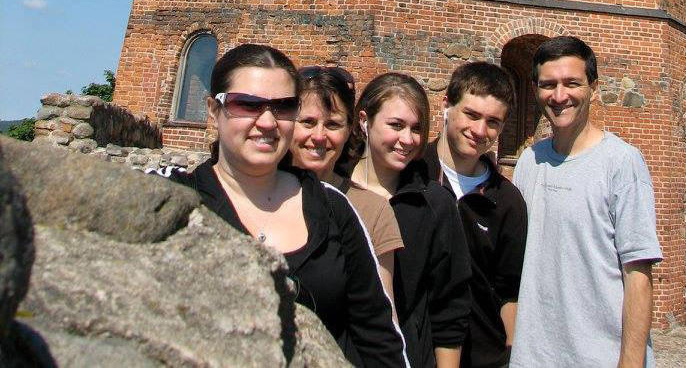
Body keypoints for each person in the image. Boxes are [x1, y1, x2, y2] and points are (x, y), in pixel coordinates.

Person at [148, 45, 409, 368]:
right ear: (214, 110)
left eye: (284, 106)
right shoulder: (173, 198)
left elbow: (378, 336)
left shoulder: (333, 207)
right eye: (247, 104)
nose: (268, 122)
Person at [510, 37, 663, 367]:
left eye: (572, 83)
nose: (559, 96)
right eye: (548, 84)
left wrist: (631, 362)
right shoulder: (529, 161)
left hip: (600, 356)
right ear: (535, 90)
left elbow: (638, 273)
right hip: (534, 357)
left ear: (593, 88)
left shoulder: (621, 163)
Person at [339, 72, 471, 368]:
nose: (408, 140)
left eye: (416, 128)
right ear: (364, 121)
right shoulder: (332, 191)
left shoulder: (434, 203)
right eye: (396, 125)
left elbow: (450, 304)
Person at [421, 62, 527, 368]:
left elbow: (510, 290)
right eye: (471, 114)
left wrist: (509, 355)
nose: (480, 131)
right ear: (446, 106)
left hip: (481, 356)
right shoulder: (413, 176)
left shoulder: (506, 201)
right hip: (414, 351)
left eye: (493, 122)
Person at [289, 65, 404, 304]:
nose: (319, 136)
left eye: (332, 124)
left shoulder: (372, 211)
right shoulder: (258, 194)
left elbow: (382, 310)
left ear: (350, 128)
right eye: (308, 122)